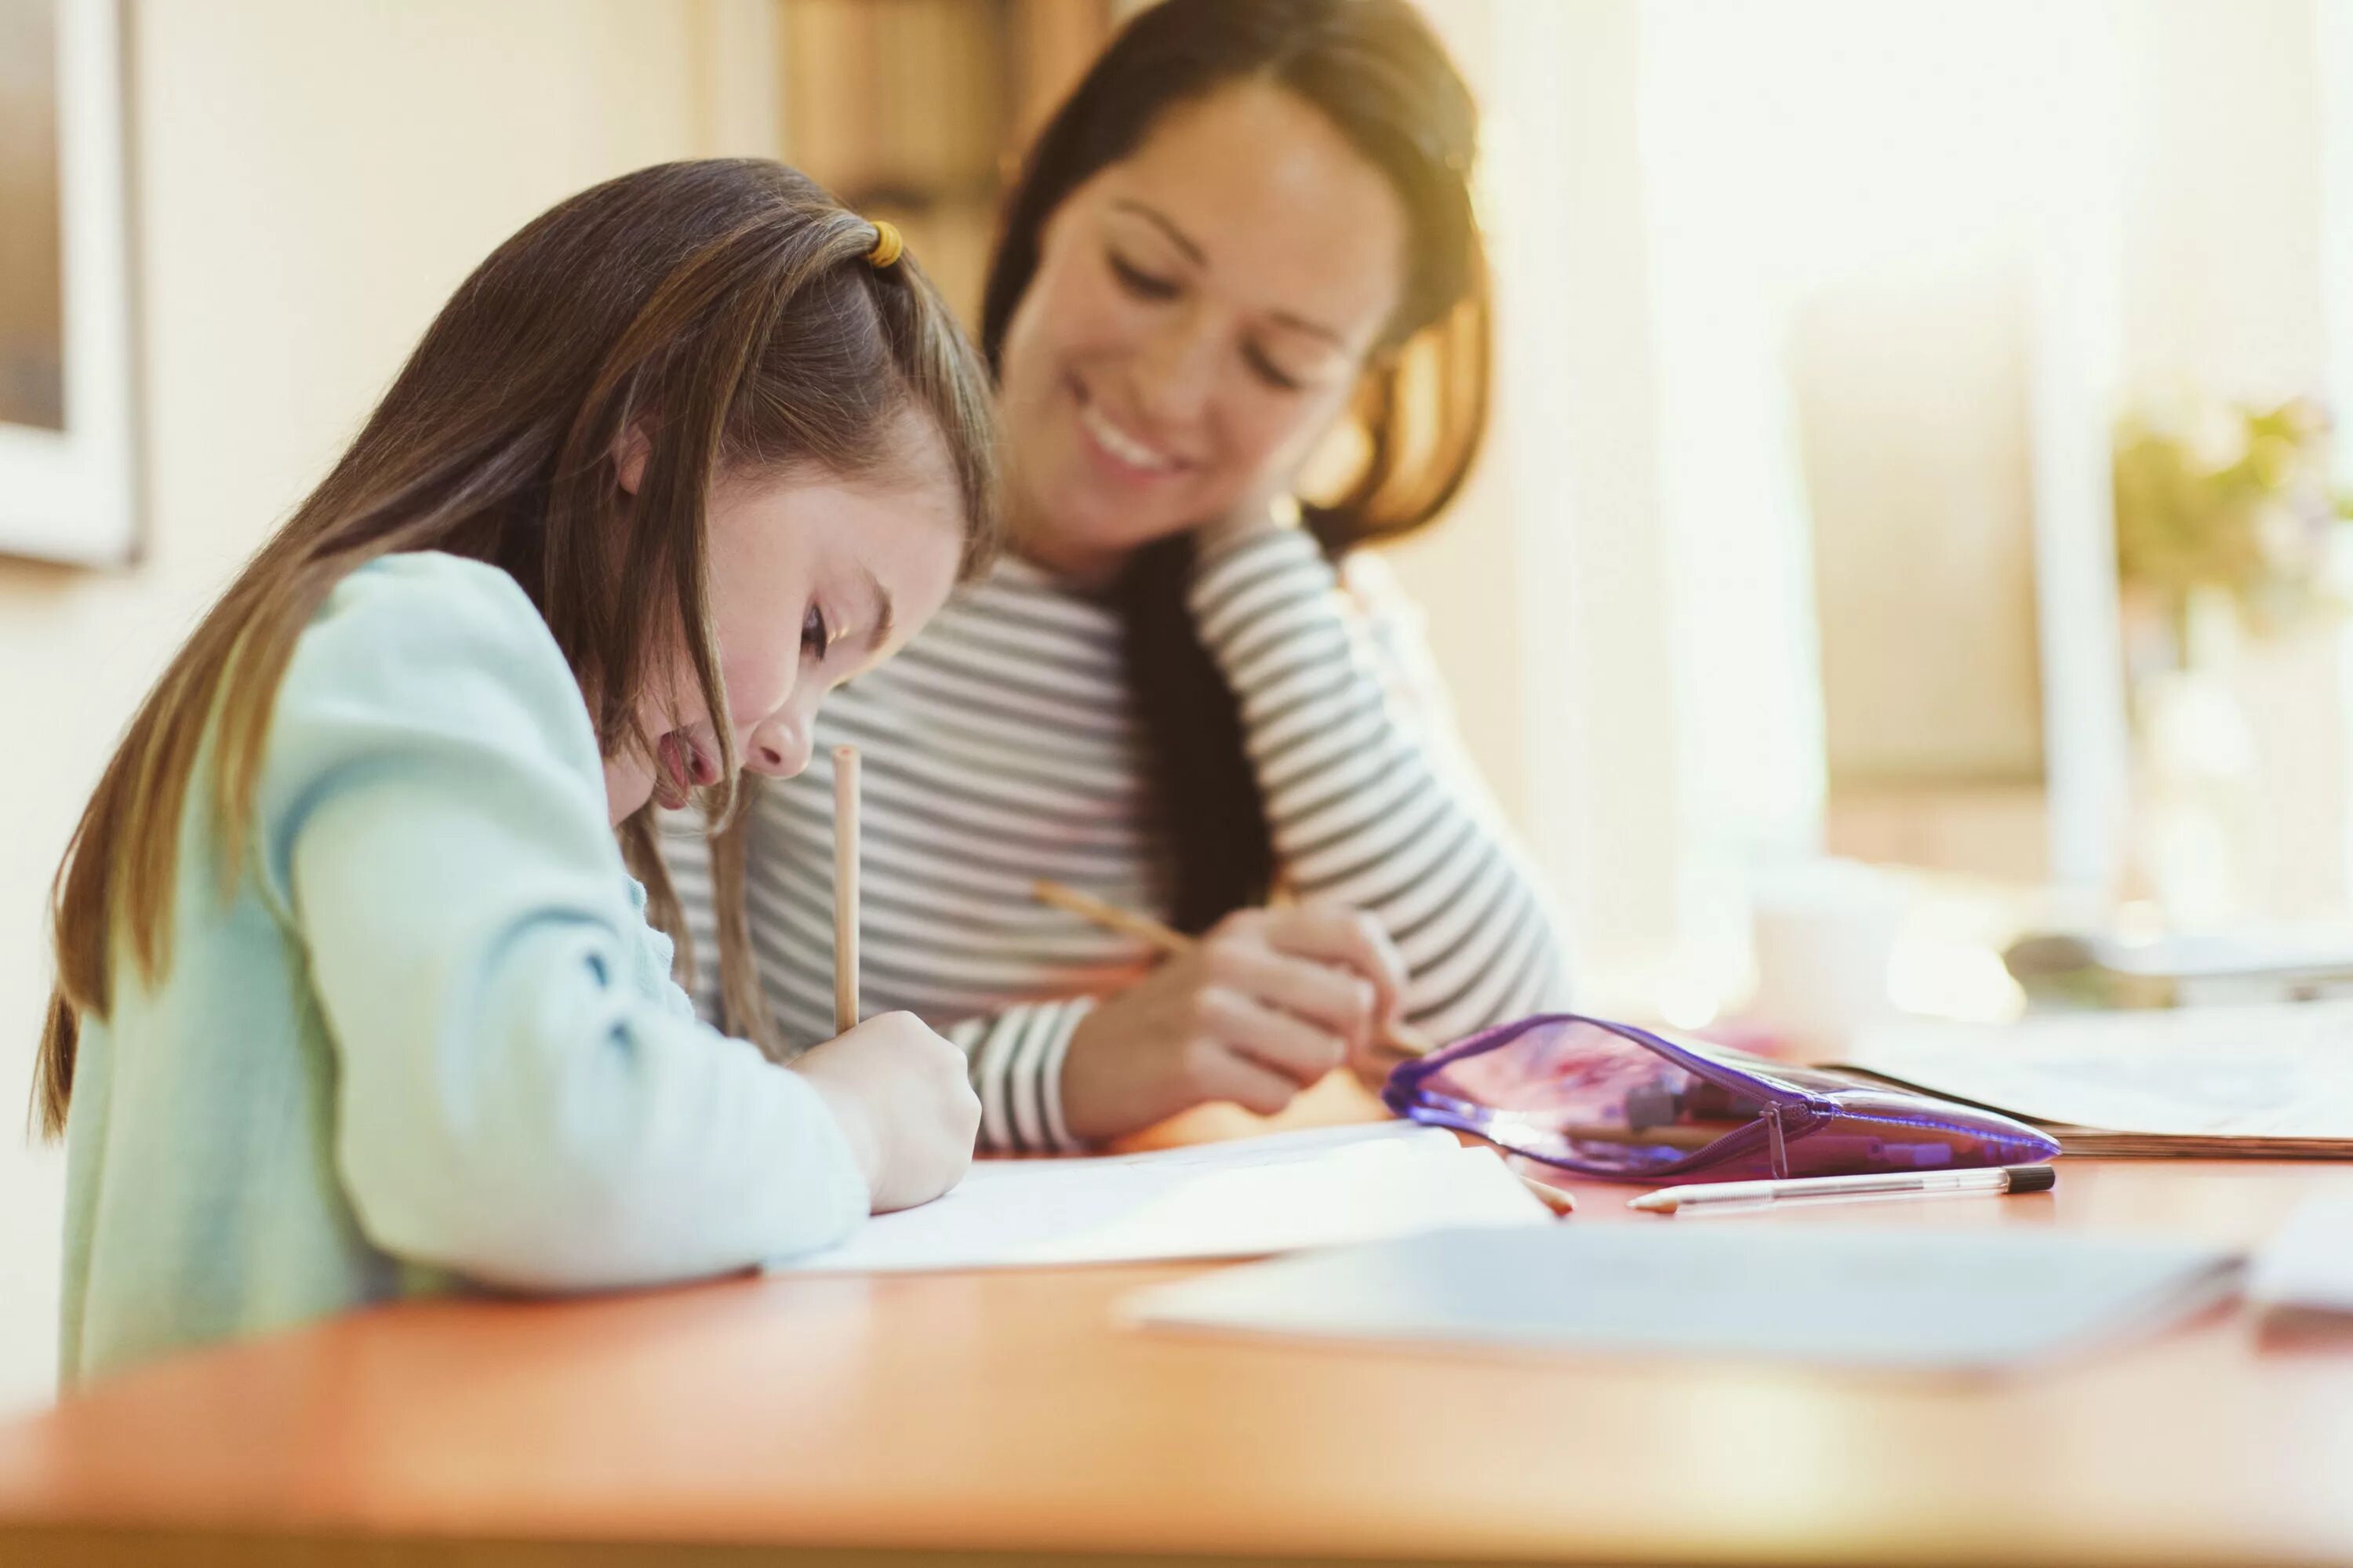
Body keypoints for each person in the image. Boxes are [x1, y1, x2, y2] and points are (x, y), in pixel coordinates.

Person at [34, 159, 996, 1383]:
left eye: (837, 685)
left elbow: (625, 1135)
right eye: (816, 632)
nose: (791, 742)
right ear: (652, 436)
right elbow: (542, 1151)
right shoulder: (421, 644)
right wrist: (849, 1125)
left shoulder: (485, 757)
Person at [669, 0, 1570, 1151]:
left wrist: (1250, 546)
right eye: (1146, 273)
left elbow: (1518, 1047)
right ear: (1044, 204)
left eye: (1277, 359)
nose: (1173, 384)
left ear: (1355, 390)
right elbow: (667, 1076)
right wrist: (1074, 1068)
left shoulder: (1303, 627)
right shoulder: (794, 530)